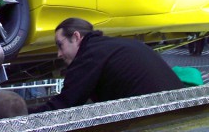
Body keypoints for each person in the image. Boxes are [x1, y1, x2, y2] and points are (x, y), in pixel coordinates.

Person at [30, 18, 184, 113]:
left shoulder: (88, 55)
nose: (59, 54)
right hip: (178, 110)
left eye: (60, 45)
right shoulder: (108, 46)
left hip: (158, 117)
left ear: (76, 37)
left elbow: (65, 104)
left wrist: (23, 117)